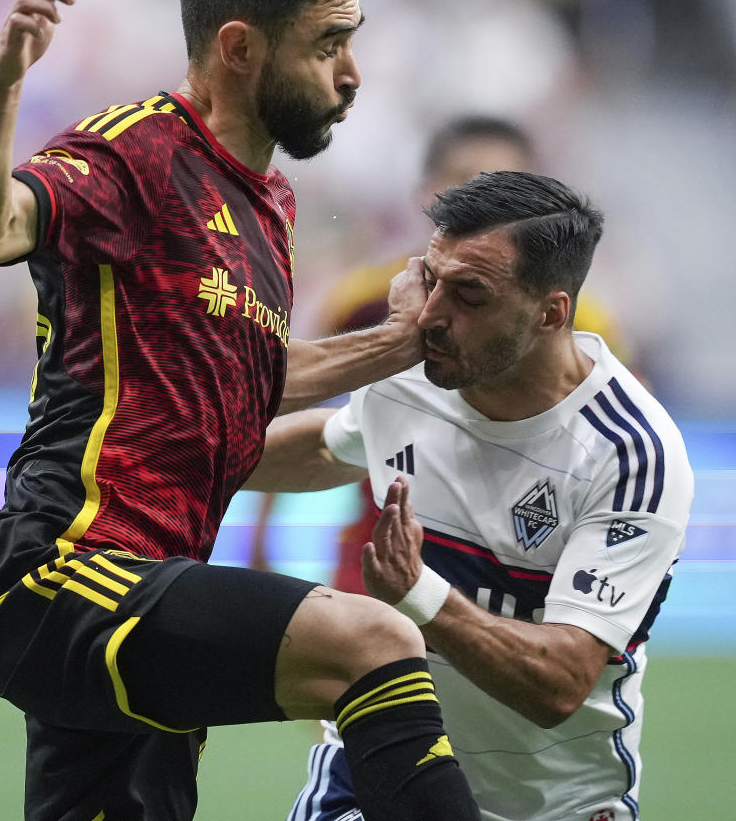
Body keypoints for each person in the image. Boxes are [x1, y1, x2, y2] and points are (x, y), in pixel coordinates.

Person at [0, 0, 479, 821]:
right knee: (375, 639)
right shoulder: (134, 150)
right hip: (69, 568)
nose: (353, 74)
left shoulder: (269, 202)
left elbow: (242, 378)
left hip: (157, 583)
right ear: (239, 46)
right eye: (328, 44)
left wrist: (400, 345)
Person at [245, 169, 693, 821]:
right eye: (431, 279)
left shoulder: (631, 451)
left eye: (469, 294)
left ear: (550, 312)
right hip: (383, 760)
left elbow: (561, 681)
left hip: (550, 802)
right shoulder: (411, 376)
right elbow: (331, 444)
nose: (428, 316)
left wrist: (419, 592)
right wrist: (154, 457)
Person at [249, 115, 624, 589]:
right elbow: (309, 409)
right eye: (467, 180)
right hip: (374, 558)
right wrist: (260, 536)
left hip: (512, 571)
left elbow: (620, 433)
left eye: (508, 185)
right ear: (429, 190)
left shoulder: (580, 318)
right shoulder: (362, 299)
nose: (485, 200)